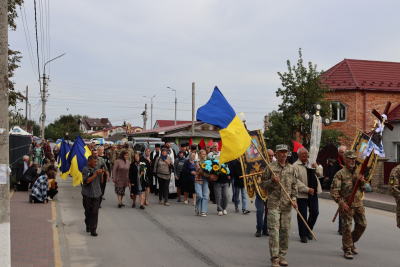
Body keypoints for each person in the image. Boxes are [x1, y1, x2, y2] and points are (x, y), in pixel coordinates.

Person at [260, 144, 298, 267]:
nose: (284, 154)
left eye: (285, 152)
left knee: (285, 232)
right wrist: (272, 181)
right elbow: (262, 184)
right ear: (276, 153)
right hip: (274, 205)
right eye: (281, 152)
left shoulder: (291, 169)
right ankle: (275, 258)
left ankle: (282, 256)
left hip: (287, 205)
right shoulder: (270, 168)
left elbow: (294, 187)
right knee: (274, 232)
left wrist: (294, 199)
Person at [330, 150, 367, 260]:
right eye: (350, 158)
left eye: (354, 158)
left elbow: (363, 189)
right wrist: (341, 203)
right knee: (346, 227)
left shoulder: (358, 173)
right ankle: (347, 250)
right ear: (345, 159)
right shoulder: (340, 174)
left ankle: (351, 242)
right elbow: (334, 191)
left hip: (358, 204)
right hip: (347, 205)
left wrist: (362, 181)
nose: (353, 160)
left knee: (362, 224)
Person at [293, 147, 322, 243]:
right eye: (302, 153)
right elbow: (295, 181)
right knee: (302, 215)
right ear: (298, 155)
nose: (305, 155)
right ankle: (303, 235)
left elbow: (320, 174)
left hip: (313, 193)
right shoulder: (295, 166)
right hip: (302, 194)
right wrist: (306, 189)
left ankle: (309, 229)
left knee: (315, 212)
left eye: (306, 153)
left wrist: (316, 167)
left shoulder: (311, 162)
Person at [81, 155, 104, 236]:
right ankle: (88, 224)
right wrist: (95, 174)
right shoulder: (85, 169)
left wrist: (101, 174)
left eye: (96, 161)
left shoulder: (97, 169)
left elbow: (101, 181)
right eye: (94, 162)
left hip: (97, 193)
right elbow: (87, 181)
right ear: (89, 162)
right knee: (88, 211)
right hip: (87, 193)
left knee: (95, 212)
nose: (95, 163)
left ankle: (93, 229)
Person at [329, 145, 347, 235]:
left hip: (349, 189)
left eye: (345, 152)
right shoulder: (337, 163)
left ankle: (347, 226)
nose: (343, 154)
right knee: (342, 207)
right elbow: (333, 176)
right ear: (339, 153)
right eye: (342, 152)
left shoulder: (350, 162)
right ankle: (341, 227)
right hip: (341, 189)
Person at [194, 150, 209, 217]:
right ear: (199, 154)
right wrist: (209, 176)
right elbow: (199, 171)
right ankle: (197, 208)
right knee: (199, 195)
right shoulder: (197, 162)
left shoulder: (207, 162)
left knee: (205, 195)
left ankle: (203, 211)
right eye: (203, 154)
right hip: (198, 179)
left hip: (205, 180)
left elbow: (209, 170)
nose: (204, 155)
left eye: (205, 154)